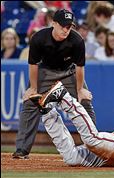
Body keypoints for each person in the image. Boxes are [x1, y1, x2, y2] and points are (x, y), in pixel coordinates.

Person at [12, 9, 96, 159]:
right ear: (54, 24)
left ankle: (95, 147)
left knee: (85, 102)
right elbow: (33, 64)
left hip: (69, 72)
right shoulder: (39, 38)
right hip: (45, 71)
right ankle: (22, 150)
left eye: (69, 26)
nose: (66, 29)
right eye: (63, 26)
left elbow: (79, 67)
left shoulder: (77, 40)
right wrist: (33, 88)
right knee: (31, 102)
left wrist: (80, 89)